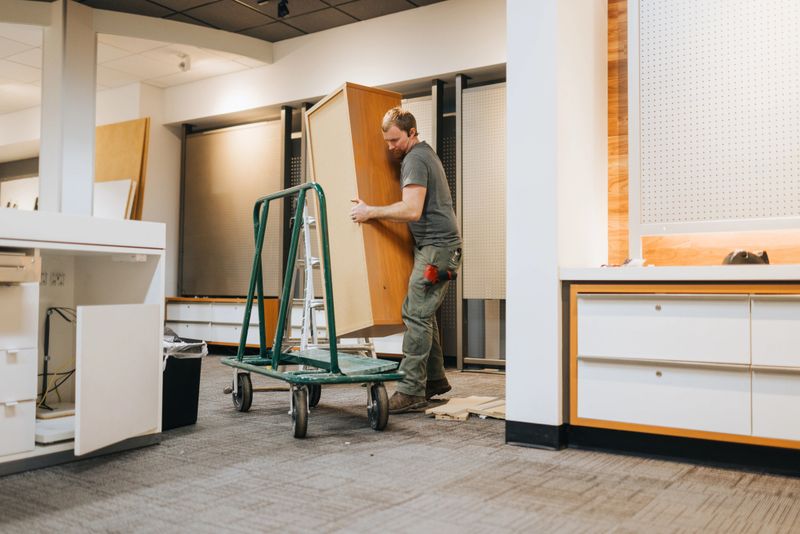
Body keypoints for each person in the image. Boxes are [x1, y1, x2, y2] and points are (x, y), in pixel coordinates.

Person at [350, 107, 462, 413]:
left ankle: (411, 390)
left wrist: (370, 211)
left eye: (395, 139)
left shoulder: (415, 158)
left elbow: (412, 210)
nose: (390, 147)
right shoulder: (422, 154)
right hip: (437, 247)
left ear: (412, 132)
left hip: (437, 250)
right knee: (423, 314)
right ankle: (434, 381)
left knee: (414, 313)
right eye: (387, 141)